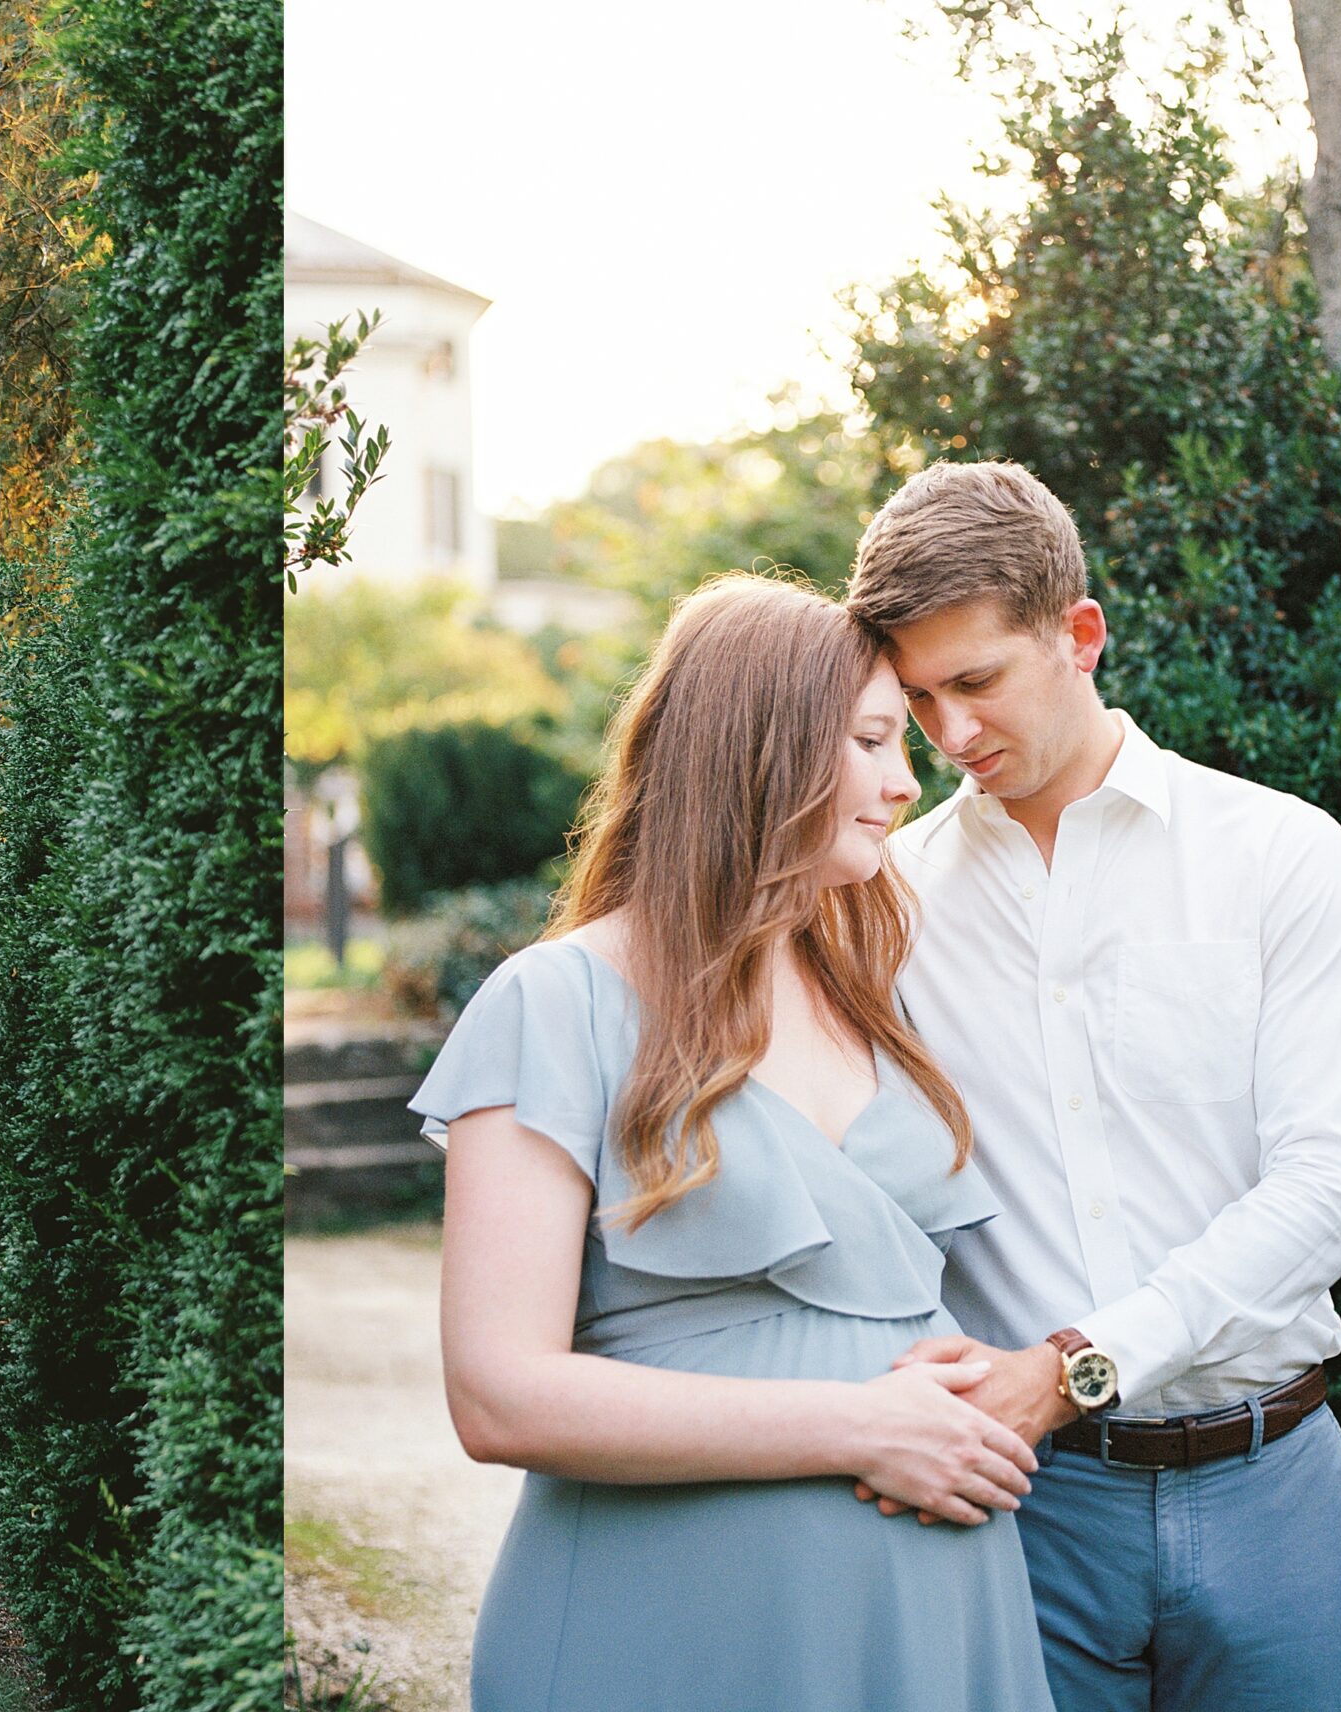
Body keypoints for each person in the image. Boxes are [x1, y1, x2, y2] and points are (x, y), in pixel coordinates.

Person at [418, 573, 1055, 1711]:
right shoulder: (553, 1002)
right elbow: (497, 1393)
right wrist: (859, 1425)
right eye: (868, 739)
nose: (907, 779)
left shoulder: (875, 994)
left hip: (929, 1619)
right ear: (755, 749)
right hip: (676, 1622)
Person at [844, 459, 1341, 1712]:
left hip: (1273, 1489)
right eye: (918, 697)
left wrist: (1079, 1362)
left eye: (976, 681)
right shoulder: (885, 896)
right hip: (1018, 1507)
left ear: (1078, 635)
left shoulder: (1280, 855)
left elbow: (1323, 1193)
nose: (952, 735)